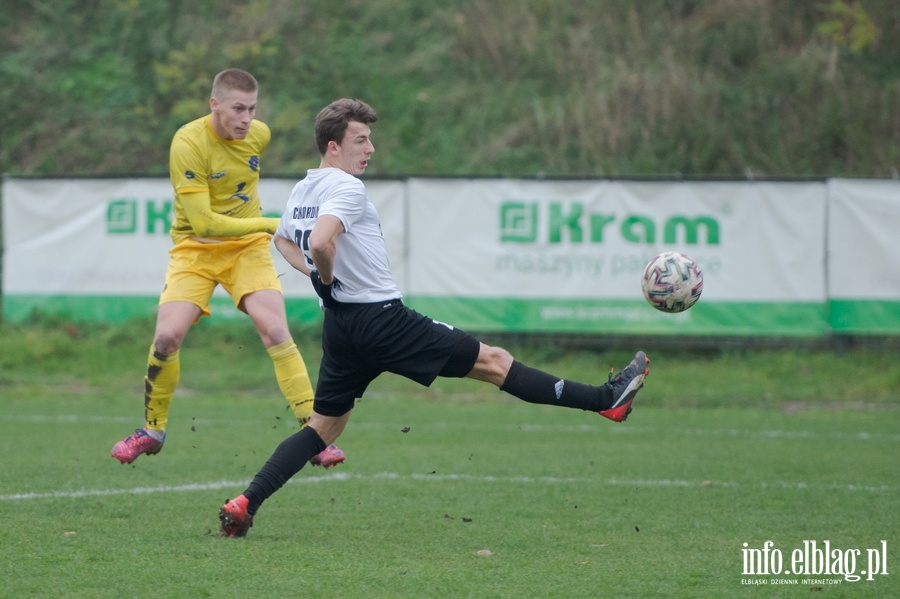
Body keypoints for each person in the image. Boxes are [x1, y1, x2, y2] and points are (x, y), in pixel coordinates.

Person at [218, 98, 649, 537]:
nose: (370, 149)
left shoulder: (303, 188)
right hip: (382, 321)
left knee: (322, 429)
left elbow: (284, 240)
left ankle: (246, 501)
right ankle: (605, 400)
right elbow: (324, 241)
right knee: (496, 363)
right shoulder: (346, 188)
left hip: (342, 328)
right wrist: (325, 275)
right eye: (361, 140)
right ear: (333, 146)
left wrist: (316, 277)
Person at [110, 69, 344, 468]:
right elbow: (204, 223)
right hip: (195, 249)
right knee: (166, 337)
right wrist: (274, 224)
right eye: (238, 108)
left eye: (252, 109)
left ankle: (316, 436)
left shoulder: (260, 135)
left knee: (275, 331)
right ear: (214, 105)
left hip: (246, 250)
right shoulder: (187, 142)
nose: (247, 118)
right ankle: (152, 429)